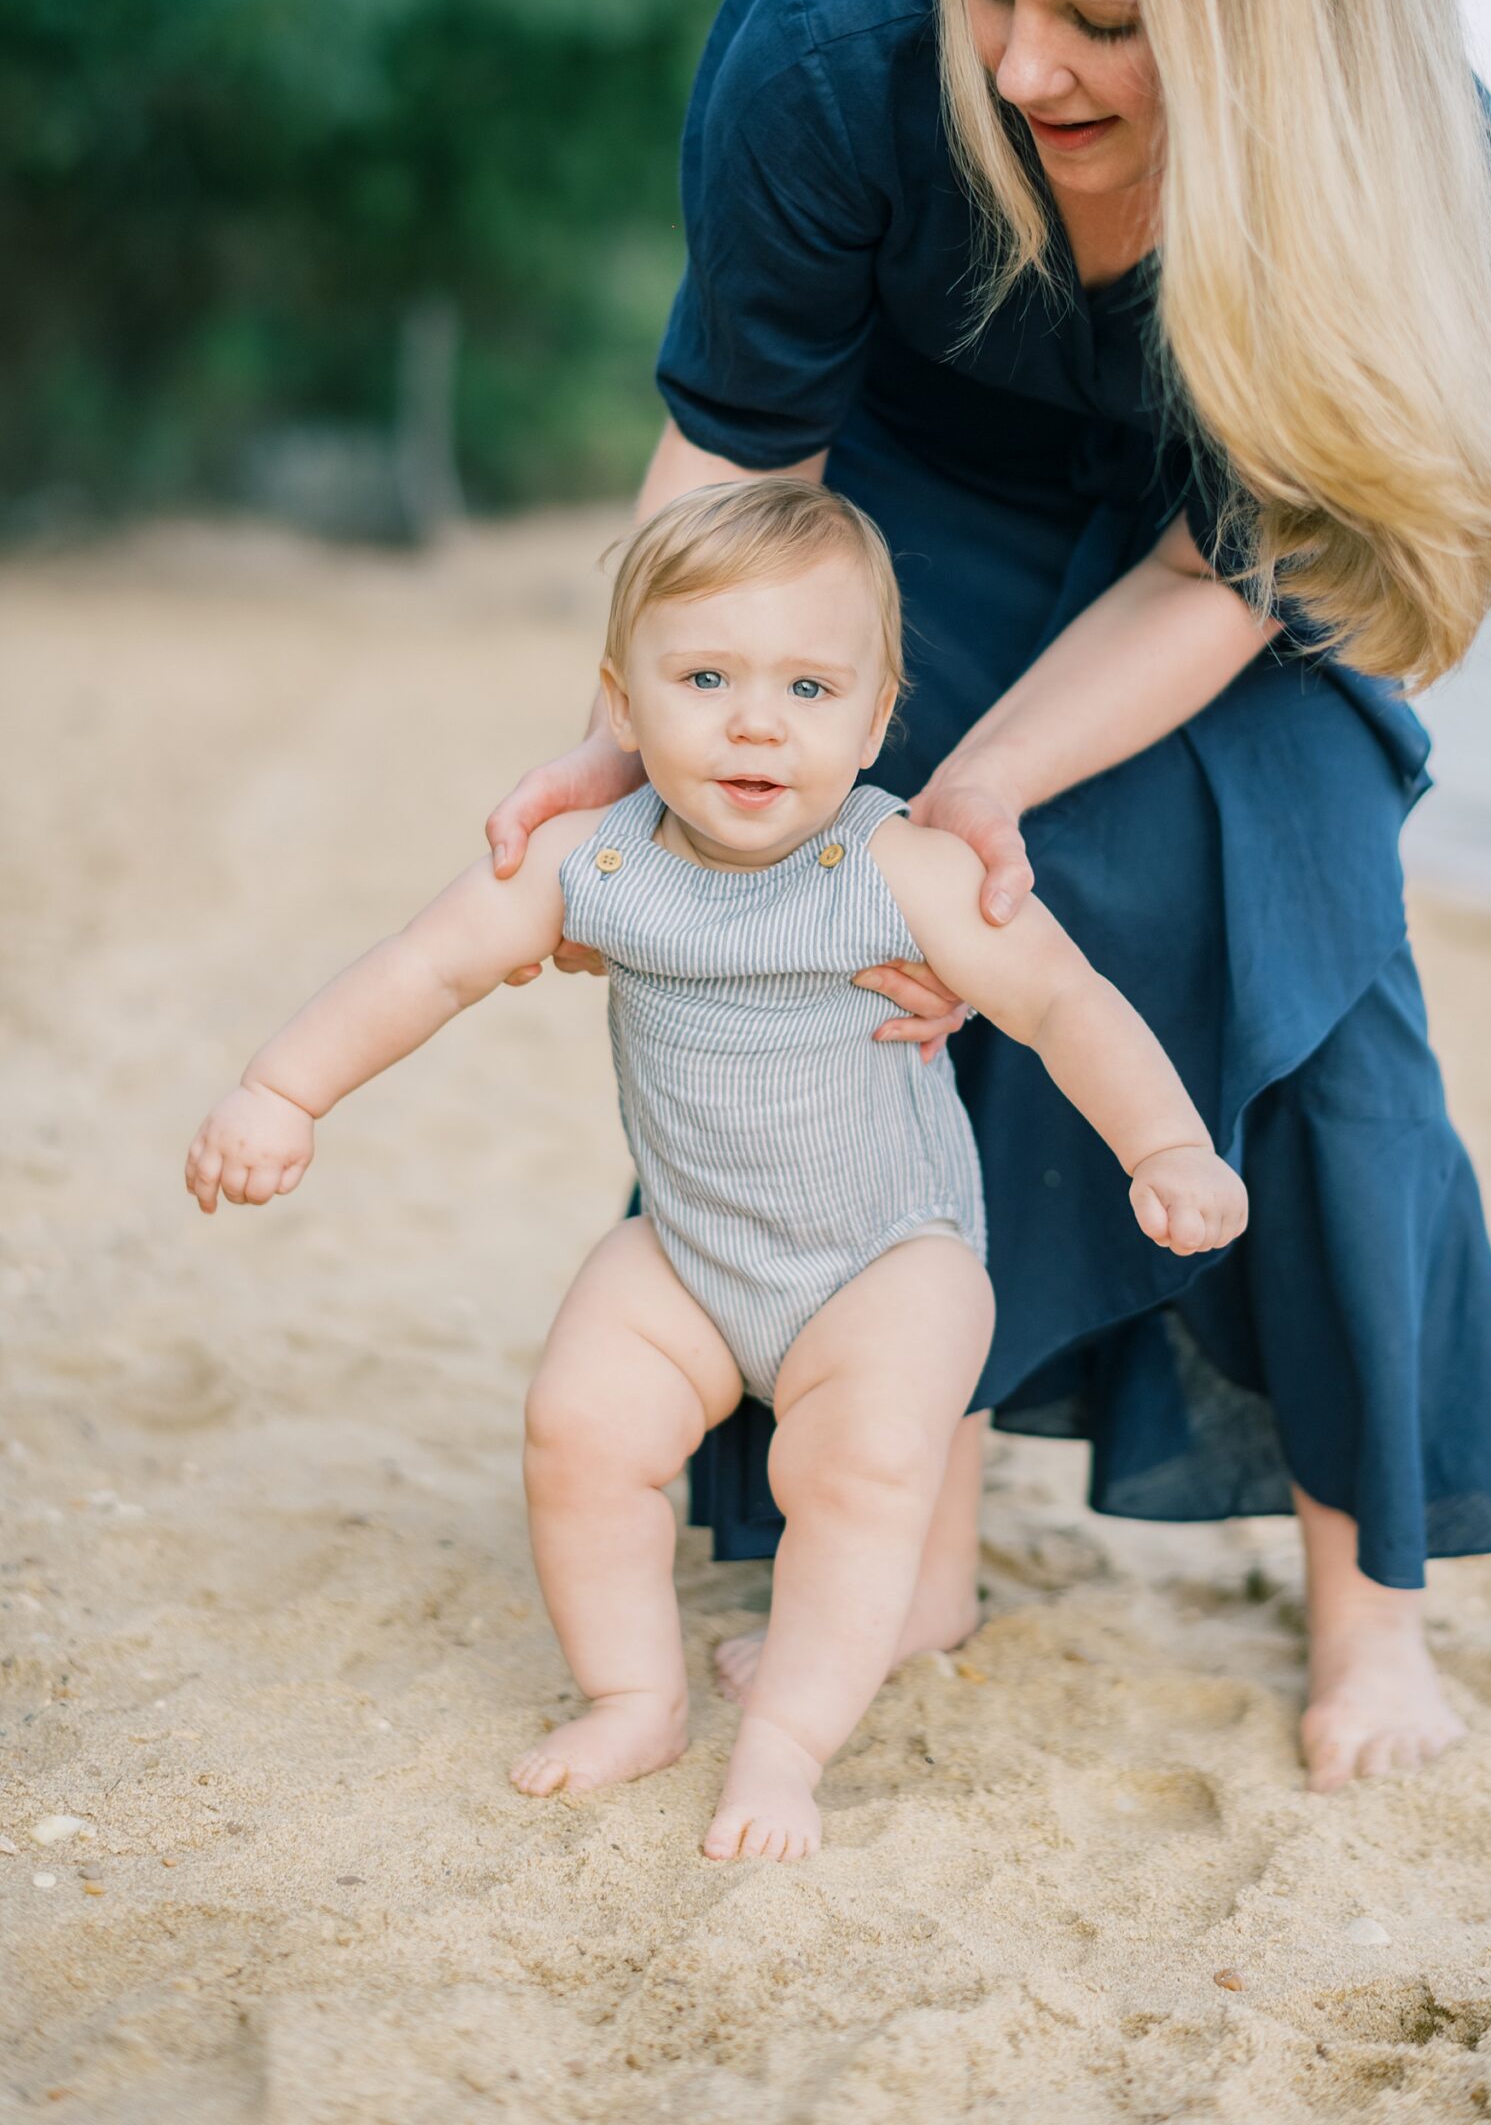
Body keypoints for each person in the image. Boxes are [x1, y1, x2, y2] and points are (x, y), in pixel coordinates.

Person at [486, 0, 1491, 1793]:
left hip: (1215, 555)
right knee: (860, 918)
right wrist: (648, 721)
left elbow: (1220, 565)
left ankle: (1369, 1612)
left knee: (1308, 971)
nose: (1017, 66)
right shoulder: (830, 32)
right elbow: (735, 442)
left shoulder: (1420, 184)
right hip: (895, 493)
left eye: (1101, 21)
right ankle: (903, 1510)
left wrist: (984, 786)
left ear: (1270, 24)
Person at [184, 479, 1247, 1861]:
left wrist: (1165, 1144)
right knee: (578, 1430)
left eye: (811, 688)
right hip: (687, 1253)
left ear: (874, 722)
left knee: (860, 1477)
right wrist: (284, 1089)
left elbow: (1065, 1005)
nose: (758, 721)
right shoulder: (594, 862)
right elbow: (424, 965)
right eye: (706, 678)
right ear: (623, 707)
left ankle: (789, 1750)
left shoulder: (900, 867)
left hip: (887, 1257)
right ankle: (636, 1697)